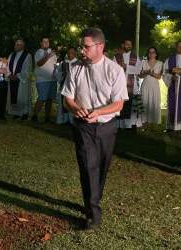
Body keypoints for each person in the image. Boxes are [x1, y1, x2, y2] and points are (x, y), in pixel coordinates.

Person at [62, 28, 128, 229]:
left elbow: (118, 104)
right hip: (83, 126)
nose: (82, 50)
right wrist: (76, 109)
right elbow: (67, 99)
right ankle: (93, 213)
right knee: (88, 165)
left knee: (102, 166)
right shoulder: (75, 68)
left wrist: (98, 112)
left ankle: (93, 199)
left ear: (100, 46)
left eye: (86, 46)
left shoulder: (114, 70)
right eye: (82, 46)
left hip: (107, 126)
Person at [114, 39, 142, 128]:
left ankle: (129, 125)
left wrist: (127, 67)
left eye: (130, 45)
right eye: (127, 44)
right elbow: (112, 69)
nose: (128, 46)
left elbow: (138, 70)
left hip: (131, 85)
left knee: (130, 104)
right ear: (123, 45)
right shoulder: (116, 57)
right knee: (120, 103)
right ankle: (120, 125)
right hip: (120, 84)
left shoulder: (135, 56)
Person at [32, 37, 57, 123]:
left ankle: (47, 117)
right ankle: (35, 116)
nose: (46, 43)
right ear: (41, 43)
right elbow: (39, 63)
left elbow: (54, 64)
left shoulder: (53, 52)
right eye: (44, 41)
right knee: (42, 98)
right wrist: (48, 56)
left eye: (47, 41)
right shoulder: (38, 52)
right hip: (42, 80)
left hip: (52, 79)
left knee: (50, 99)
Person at [6, 39, 32, 120]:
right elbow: (7, 66)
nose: (16, 46)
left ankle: (24, 113)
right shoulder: (11, 55)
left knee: (22, 97)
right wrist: (10, 75)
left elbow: (27, 69)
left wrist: (17, 76)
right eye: (16, 44)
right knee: (14, 97)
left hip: (21, 81)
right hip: (12, 78)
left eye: (18, 44)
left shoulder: (27, 56)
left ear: (23, 46)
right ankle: (16, 113)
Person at [139, 47, 163, 126]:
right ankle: (144, 121)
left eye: (153, 52)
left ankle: (154, 121)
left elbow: (159, 77)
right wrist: (146, 72)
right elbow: (140, 76)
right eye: (149, 52)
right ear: (148, 54)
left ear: (156, 54)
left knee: (154, 102)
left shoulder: (160, 63)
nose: (151, 54)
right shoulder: (143, 62)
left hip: (155, 85)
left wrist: (152, 74)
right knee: (145, 101)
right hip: (145, 85)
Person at [55, 46, 78, 124]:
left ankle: (73, 120)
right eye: (69, 53)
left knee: (73, 102)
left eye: (72, 52)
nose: (70, 54)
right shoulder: (63, 63)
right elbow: (57, 73)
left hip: (75, 88)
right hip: (64, 86)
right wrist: (62, 75)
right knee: (64, 103)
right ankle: (65, 119)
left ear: (75, 53)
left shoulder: (79, 63)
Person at [163, 40, 181, 131]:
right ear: (176, 47)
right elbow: (165, 73)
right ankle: (172, 126)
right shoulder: (169, 60)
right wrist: (171, 78)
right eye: (179, 46)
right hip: (173, 86)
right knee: (173, 105)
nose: (180, 48)